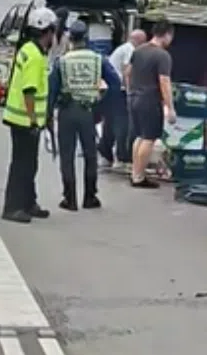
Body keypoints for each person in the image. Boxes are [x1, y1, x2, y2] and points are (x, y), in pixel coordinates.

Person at [48, 19, 120, 211]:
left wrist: (48, 115)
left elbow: (52, 91)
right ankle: (90, 197)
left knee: (67, 155)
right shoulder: (99, 59)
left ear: (70, 39)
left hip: (67, 111)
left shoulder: (61, 62)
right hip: (89, 111)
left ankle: (69, 199)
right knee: (90, 155)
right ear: (87, 39)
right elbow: (115, 83)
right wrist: (102, 104)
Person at [1, 6, 58, 224]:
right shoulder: (34, 56)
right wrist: (35, 120)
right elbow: (29, 91)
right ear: (48, 31)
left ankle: (28, 202)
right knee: (22, 165)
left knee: (29, 163)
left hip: (20, 118)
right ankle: (14, 207)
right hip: (25, 120)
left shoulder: (29, 49)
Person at [127, 19, 176, 188]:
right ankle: (139, 177)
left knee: (139, 136)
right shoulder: (162, 56)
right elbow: (164, 82)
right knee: (149, 138)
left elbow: (128, 71)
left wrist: (130, 90)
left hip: (134, 97)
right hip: (150, 100)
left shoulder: (139, 50)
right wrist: (170, 107)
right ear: (167, 35)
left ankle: (135, 172)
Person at [100, 28, 147, 171]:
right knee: (123, 124)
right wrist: (129, 92)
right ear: (140, 41)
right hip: (119, 91)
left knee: (109, 123)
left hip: (109, 90)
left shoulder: (122, 48)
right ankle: (122, 158)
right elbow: (127, 72)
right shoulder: (130, 50)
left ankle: (105, 154)